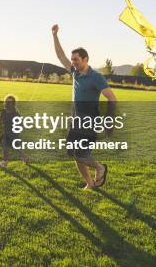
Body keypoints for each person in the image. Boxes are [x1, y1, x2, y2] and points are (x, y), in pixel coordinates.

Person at [52, 24, 117, 189]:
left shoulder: (96, 78)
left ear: (85, 59)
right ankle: (90, 184)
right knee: (73, 153)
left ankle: (100, 168)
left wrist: (109, 121)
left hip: (89, 122)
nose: (73, 62)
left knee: (80, 154)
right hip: (76, 122)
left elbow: (112, 98)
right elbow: (60, 56)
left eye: (76, 59)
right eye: (72, 59)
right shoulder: (75, 73)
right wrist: (54, 35)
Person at [0, 94, 29, 168]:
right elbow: (0, 118)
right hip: (5, 133)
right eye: (6, 102)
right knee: (5, 147)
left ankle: (23, 158)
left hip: (12, 133)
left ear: (13, 104)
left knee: (16, 147)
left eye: (10, 102)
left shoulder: (15, 114)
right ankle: (5, 161)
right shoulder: (4, 111)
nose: (8, 103)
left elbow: (19, 123)